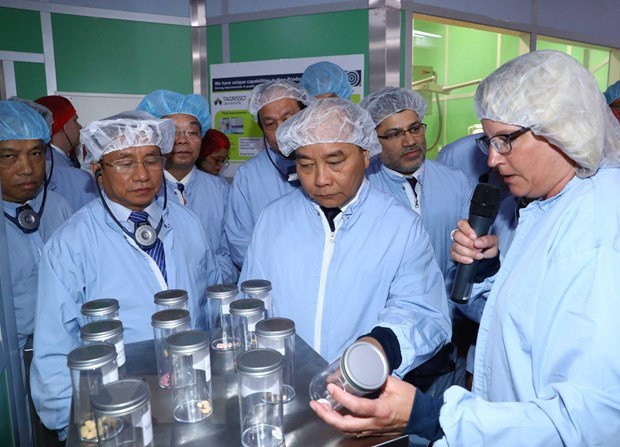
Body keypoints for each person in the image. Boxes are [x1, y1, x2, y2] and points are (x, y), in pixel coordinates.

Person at [311, 50, 620, 446]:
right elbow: (514, 326)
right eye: (487, 141)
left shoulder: (597, 231)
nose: (492, 158)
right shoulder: (546, 207)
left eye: (505, 140)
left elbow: (592, 422)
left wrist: (433, 417)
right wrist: (489, 272)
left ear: (560, 128)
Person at [30, 111, 220, 441]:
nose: (142, 174)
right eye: (124, 162)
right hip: (116, 412)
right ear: (97, 170)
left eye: (151, 160)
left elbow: (209, 306)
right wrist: (73, 429)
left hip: (193, 398)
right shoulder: (70, 243)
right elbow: (54, 348)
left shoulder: (188, 223)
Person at [240, 97, 451, 379]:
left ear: (365, 155)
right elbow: (253, 300)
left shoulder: (399, 224)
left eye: (335, 162)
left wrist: (377, 350)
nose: (321, 179)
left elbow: (423, 312)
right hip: (283, 383)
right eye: (305, 165)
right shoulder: (273, 219)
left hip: (363, 386)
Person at [362, 87, 475, 292]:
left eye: (415, 129)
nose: (410, 141)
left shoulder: (454, 181)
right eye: (394, 134)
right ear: (373, 140)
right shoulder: (363, 187)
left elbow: (468, 257)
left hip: (448, 313)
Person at [136, 90, 237, 283]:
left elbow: (230, 251)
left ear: (201, 139)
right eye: (172, 132)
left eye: (192, 132)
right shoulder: (142, 190)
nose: (182, 140)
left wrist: (209, 282)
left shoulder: (220, 189)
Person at [0, 100, 72, 355]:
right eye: (9, 156)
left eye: (36, 153)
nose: (27, 169)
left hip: (62, 343)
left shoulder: (58, 206)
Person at [225, 79, 315, 268]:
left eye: (288, 118)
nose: (281, 130)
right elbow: (241, 244)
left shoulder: (329, 167)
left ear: (306, 116)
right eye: (270, 124)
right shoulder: (248, 176)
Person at [35, 95, 97, 211]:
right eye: (75, 120)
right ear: (59, 126)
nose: (80, 126)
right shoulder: (58, 169)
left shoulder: (56, 161)